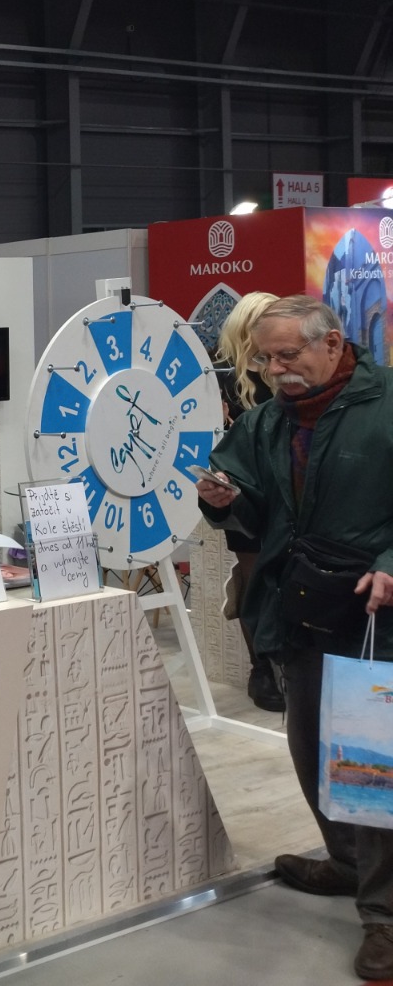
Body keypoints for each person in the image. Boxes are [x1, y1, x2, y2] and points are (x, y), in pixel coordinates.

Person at [196, 294, 393, 982]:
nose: (277, 370)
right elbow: (249, 499)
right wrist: (225, 500)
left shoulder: (386, 404)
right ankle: (346, 862)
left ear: (332, 344)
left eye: (288, 355)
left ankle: (384, 918)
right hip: (299, 608)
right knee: (310, 752)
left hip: (375, 618)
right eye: (265, 359)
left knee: (369, 767)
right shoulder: (267, 421)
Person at [212, 290, 284, 712]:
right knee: (254, 581)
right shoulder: (219, 374)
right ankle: (263, 668)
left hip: (288, 494)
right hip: (242, 496)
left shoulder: (284, 368)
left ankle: (286, 666)